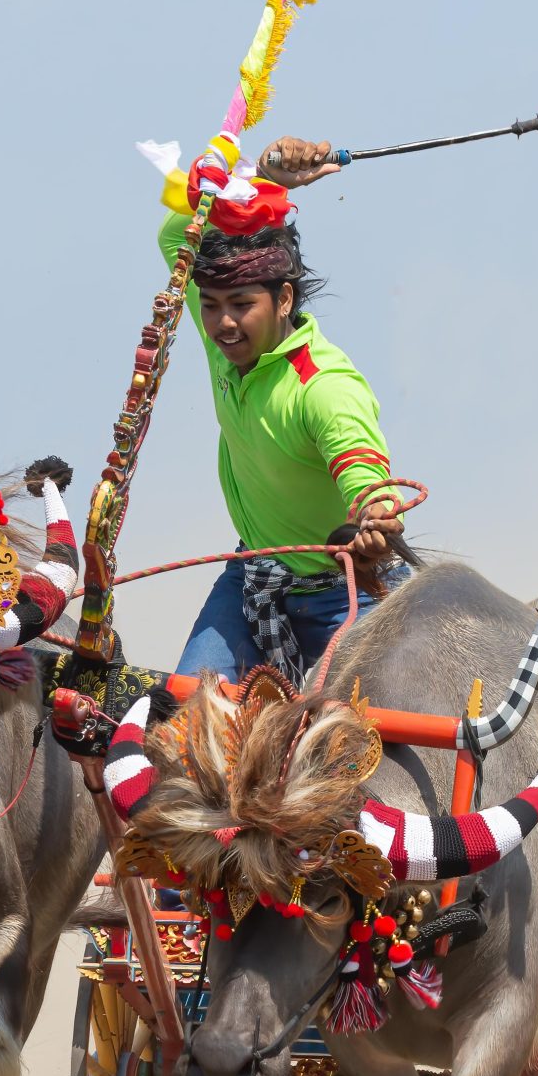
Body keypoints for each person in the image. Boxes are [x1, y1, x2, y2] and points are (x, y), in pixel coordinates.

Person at [161, 135, 408, 682]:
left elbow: (368, 480)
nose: (223, 323)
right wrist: (261, 179)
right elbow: (178, 231)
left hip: (348, 600)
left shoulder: (325, 386)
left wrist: (374, 517)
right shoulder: (225, 347)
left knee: (332, 760)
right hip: (252, 579)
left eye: (242, 305)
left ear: (285, 300)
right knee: (182, 719)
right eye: (211, 306)